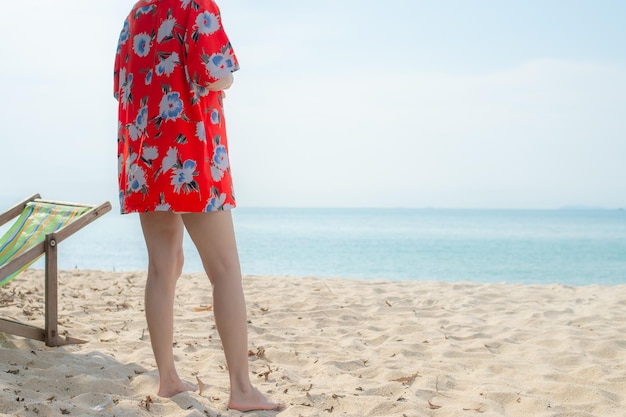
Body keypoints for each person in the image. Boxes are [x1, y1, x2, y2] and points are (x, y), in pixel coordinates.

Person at [113, 0, 284, 411]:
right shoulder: (196, 4)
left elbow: (122, 86)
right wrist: (225, 81)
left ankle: (168, 379)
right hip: (190, 152)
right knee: (225, 270)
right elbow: (216, 73)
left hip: (144, 153)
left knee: (162, 265)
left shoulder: (135, 15)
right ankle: (242, 391)